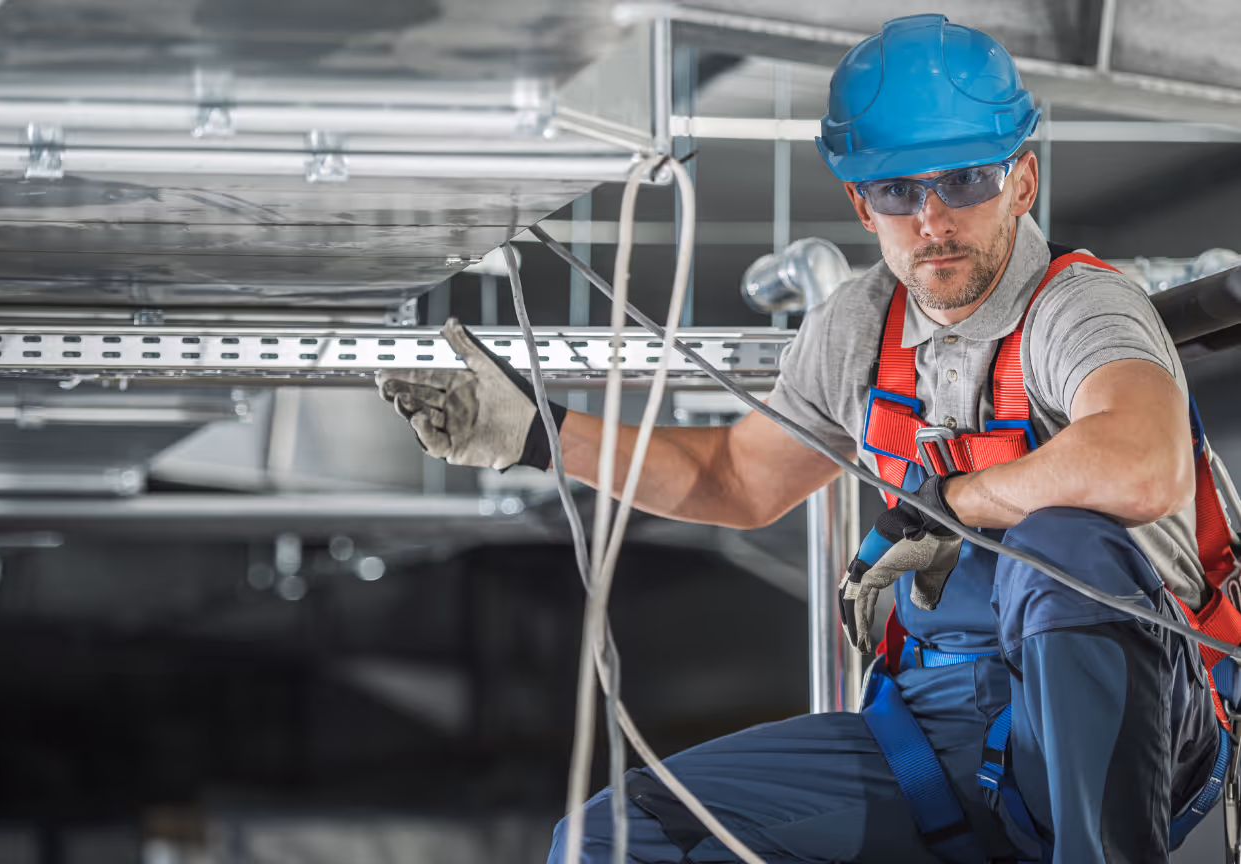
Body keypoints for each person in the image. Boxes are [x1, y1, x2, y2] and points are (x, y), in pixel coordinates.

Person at [377, 14, 1240, 863]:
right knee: (611, 839)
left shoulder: (1075, 308)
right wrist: (534, 434)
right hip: (937, 729)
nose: (933, 220)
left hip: (1129, 723)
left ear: (1021, 181)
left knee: (1064, 541)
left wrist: (952, 505)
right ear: (861, 205)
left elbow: (1140, 466)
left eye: (964, 182)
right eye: (899, 191)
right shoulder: (857, 328)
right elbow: (734, 478)